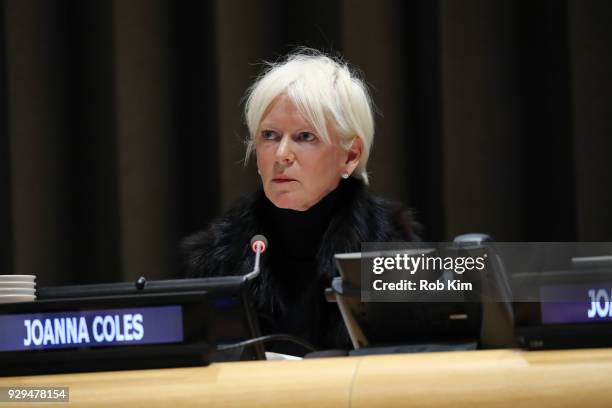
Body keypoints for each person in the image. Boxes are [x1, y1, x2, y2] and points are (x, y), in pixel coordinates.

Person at [181, 50, 418, 356]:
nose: (281, 155)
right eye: (269, 135)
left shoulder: (393, 250)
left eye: (305, 136)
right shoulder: (216, 258)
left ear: (351, 156)